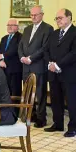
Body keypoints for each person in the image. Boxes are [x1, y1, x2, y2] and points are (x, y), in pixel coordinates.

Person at [18, 5, 54, 128]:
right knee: (27, 93)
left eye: (35, 14)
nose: (33, 17)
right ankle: (30, 115)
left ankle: (41, 118)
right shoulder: (27, 29)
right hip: (26, 67)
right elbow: (21, 45)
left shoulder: (48, 28)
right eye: (31, 15)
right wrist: (22, 57)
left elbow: (44, 48)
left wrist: (30, 58)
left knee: (40, 93)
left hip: (38, 66)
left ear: (42, 15)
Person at [44, 9, 76, 137]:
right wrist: (50, 64)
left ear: (69, 18)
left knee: (72, 101)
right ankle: (58, 124)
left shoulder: (75, 32)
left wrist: (58, 65)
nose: (58, 20)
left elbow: (74, 53)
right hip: (53, 72)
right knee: (56, 99)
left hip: (69, 73)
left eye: (60, 18)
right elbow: (46, 50)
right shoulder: (54, 33)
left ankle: (73, 127)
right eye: (56, 18)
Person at [0, 19, 23, 99]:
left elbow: (16, 50)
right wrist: (1, 60)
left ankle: (16, 111)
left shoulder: (21, 37)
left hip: (15, 69)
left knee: (15, 93)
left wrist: (3, 56)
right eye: (8, 25)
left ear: (17, 27)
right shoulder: (4, 38)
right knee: (5, 92)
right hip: (4, 69)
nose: (9, 27)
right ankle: (7, 110)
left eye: (12, 25)